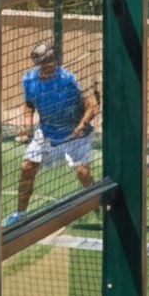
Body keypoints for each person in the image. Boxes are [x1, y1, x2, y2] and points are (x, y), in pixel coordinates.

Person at [13, 38, 95, 211]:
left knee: (83, 173)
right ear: (38, 63)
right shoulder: (29, 80)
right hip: (47, 133)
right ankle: (20, 214)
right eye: (47, 59)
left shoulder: (68, 78)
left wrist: (81, 124)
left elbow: (90, 104)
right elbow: (29, 105)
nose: (51, 62)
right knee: (27, 168)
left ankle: (97, 201)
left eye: (52, 58)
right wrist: (27, 127)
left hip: (75, 134)